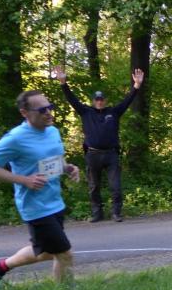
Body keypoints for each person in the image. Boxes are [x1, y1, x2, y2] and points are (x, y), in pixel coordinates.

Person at [0, 90, 81, 288]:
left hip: (55, 201)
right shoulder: (15, 138)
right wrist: (23, 180)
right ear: (24, 113)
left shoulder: (52, 131)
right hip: (35, 207)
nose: (48, 112)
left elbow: (55, 160)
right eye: (42, 110)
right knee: (64, 254)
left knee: (48, 252)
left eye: (50, 107)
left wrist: (67, 168)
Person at [53, 66, 144, 222]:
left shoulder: (114, 112)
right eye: (97, 99)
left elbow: (127, 101)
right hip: (93, 154)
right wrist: (63, 83)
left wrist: (136, 86)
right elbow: (72, 99)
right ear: (93, 101)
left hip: (111, 154)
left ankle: (116, 213)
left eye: (102, 99)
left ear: (105, 101)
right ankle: (97, 213)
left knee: (115, 185)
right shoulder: (86, 112)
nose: (100, 101)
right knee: (93, 186)